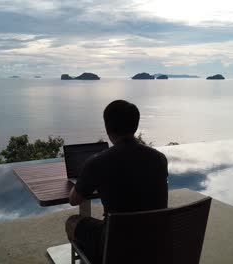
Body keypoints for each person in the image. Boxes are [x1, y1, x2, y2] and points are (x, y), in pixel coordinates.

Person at [65, 99, 168, 263]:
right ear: (135, 125)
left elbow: (73, 200)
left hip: (115, 243)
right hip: (152, 241)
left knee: (72, 222)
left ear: (107, 128)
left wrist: (82, 182)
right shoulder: (159, 158)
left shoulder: (97, 162)